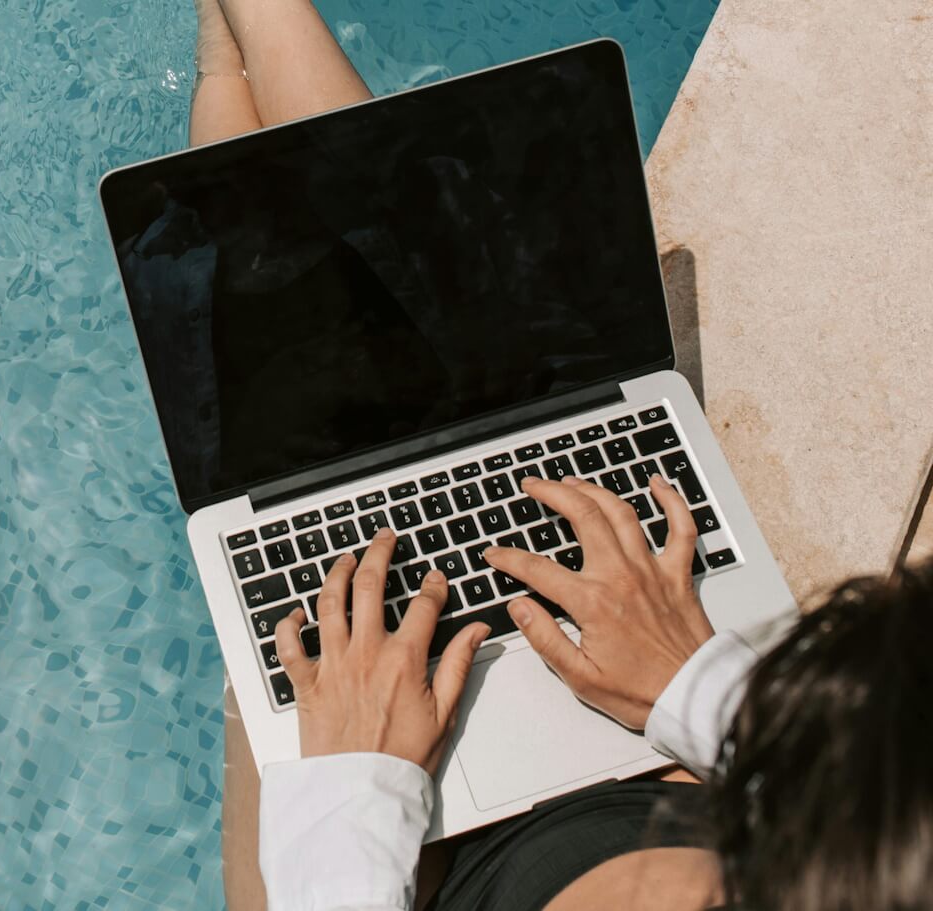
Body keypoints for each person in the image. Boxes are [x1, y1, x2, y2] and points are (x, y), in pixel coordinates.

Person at [192, 3, 933, 908]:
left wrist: (355, 791)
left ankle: (229, 55)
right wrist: (691, 680)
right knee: (459, 339)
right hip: (661, 794)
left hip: (401, 877)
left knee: (292, 475)